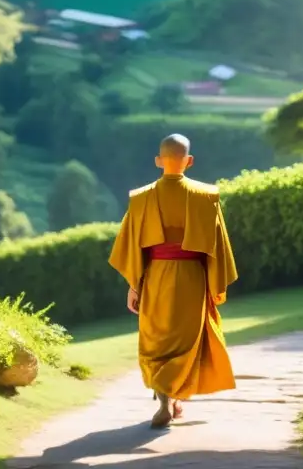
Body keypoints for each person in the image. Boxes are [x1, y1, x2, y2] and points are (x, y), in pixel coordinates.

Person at [108, 133, 238, 428]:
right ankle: (175, 400)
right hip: (193, 278)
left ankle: (166, 402)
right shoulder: (206, 197)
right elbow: (217, 249)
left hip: (155, 276)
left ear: (158, 161)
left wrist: (133, 285)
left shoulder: (141, 198)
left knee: (158, 342)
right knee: (186, 342)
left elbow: (131, 246)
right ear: (189, 161)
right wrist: (213, 285)